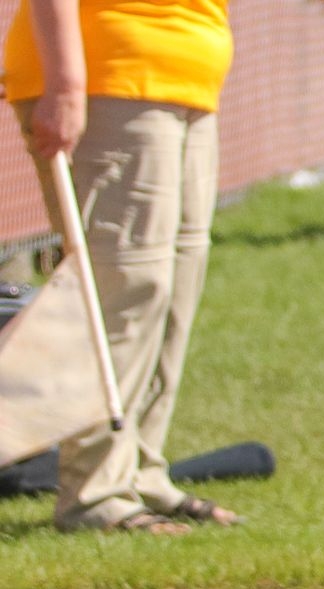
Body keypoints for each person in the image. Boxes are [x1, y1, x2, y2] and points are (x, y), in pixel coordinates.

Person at [3, 0, 241, 534]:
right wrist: (65, 85)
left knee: (174, 286)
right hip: (109, 78)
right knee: (123, 285)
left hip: (185, 81)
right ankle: (95, 494)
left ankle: (141, 474)